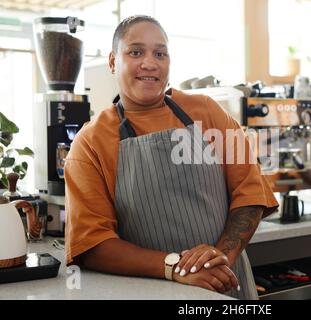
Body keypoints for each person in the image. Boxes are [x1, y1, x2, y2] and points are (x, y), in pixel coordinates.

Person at [64, 15, 278, 300]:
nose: (150, 63)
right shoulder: (90, 143)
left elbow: (250, 193)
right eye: (136, 52)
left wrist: (220, 256)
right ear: (113, 61)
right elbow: (92, 245)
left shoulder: (208, 112)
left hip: (226, 285)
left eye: (160, 53)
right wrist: (175, 267)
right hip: (150, 291)